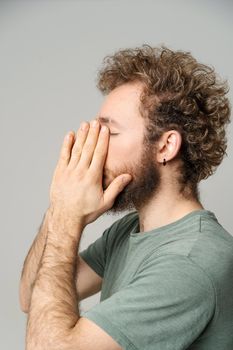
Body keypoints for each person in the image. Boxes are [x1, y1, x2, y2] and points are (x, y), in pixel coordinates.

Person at [20, 45, 233, 350]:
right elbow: (30, 295)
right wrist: (60, 207)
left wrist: (67, 216)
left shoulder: (190, 262)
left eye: (111, 133)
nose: (94, 147)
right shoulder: (130, 230)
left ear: (165, 146)